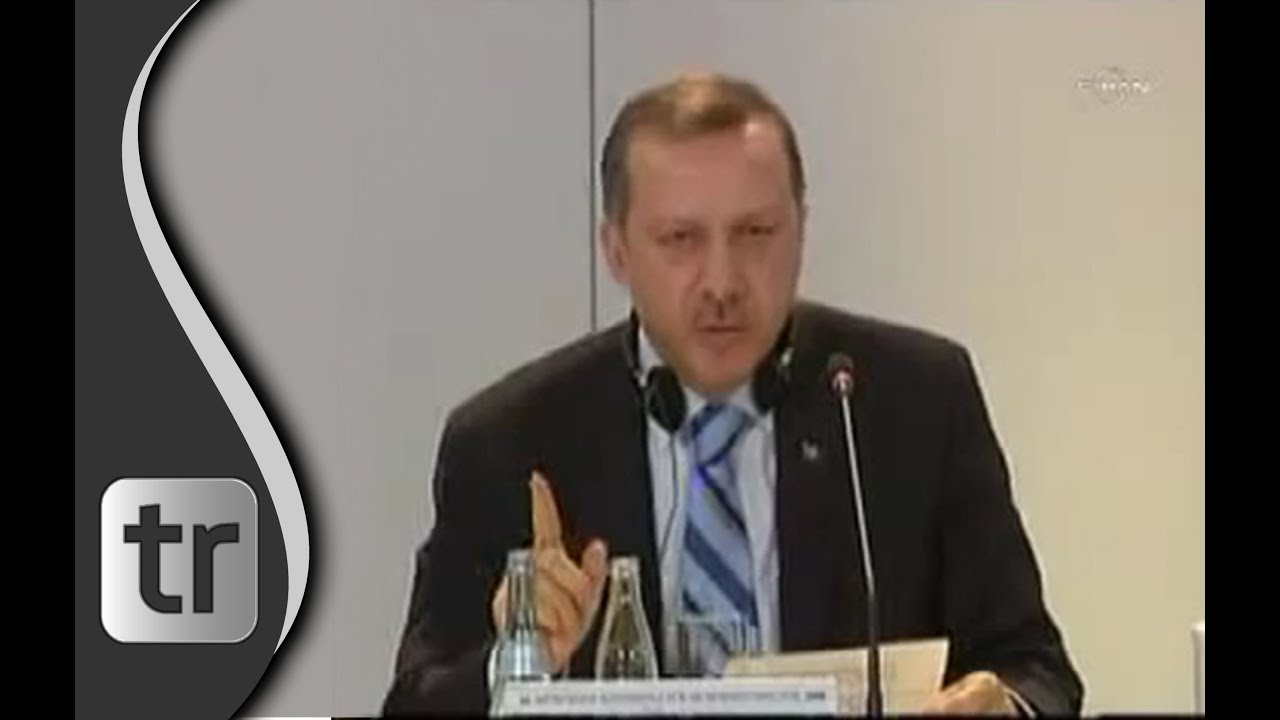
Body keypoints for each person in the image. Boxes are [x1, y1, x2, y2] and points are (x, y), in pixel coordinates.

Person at [383, 71, 1083, 716]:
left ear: (801, 231)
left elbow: (1036, 669)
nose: (722, 282)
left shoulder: (915, 402)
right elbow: (415, 703)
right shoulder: (510, 440)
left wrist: (1002, 708)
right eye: (681, 239)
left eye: (755, 233)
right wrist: (515, 660)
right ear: (616, 251)